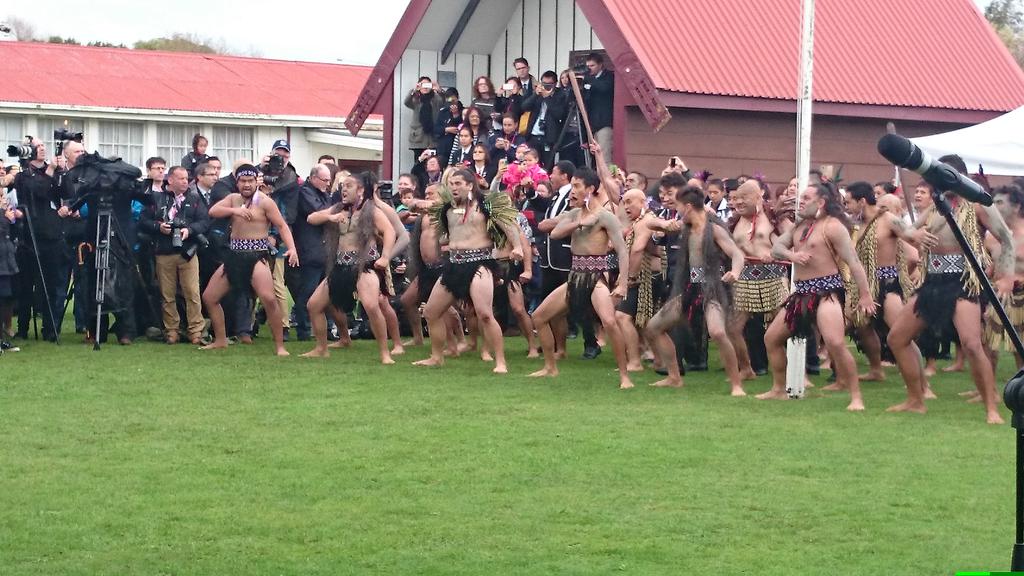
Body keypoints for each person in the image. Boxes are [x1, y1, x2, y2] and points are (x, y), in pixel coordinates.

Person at [886, 157, 1014, 424]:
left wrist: (1006, 277)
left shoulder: (978, 204)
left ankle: (991, 408)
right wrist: (913, 235)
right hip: (933, 281)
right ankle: (915, 400)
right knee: (897, 338)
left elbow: (1006, 238)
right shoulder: (936, 206)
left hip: (963, 281)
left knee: (972, 344)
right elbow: (905, 229)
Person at [759, 182, 876, 411]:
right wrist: (792, 255)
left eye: (806, 198)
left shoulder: (833, 226)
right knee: (771, 338)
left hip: (826, 293)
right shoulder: (800, 225)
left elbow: (853, 262)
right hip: (801, 294)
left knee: (835, 343)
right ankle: (778, 389)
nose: (800, 201)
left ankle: (856, 397)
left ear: (821, 202)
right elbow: (776, 248)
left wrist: (865, 295)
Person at [528, 167, 632, 388]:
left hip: (595, 278)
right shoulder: (574, 214)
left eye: (577, 186)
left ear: (590, 189)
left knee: (609, 322)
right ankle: (550, 367)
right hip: (575, 276)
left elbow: (623, 251)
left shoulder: (606, 217)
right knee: (539, 317)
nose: (572, 191)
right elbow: (554, 233)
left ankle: (624, 376)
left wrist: (622, 283)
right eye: (572, 186)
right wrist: (579, 222)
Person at [412, 169, 523, 373]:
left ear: (470, 185)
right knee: (431, 312)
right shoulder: (447, 208)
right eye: (451, 184)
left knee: (485, 314)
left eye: (458, 184)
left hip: (480, 264)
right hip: (454, 265)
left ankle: (500, 362)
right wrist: (416, 204)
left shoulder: (486, 205)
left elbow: (509, 225)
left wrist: (517, 247)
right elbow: (440, 227)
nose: (454, 188)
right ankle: (436, 357)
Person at [644, 186, 746, 395]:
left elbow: (737, 254)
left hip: (712, 288)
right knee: (654, 327)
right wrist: (663, 224)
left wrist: (735, 272)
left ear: (688, 207)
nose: (677, 210)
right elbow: (649, 223)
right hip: (690, 288)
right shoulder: (684, 227)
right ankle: (674, 377)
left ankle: (736, 385)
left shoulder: (714, 229)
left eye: (678, 206)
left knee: (717, 332)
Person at [201, 164, 299, 356]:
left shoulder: (265, 202)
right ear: (237, 182)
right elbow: (213, 211)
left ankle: (280, 346)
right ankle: (220, 340)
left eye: (250, 181)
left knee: (269, 299)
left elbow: (282, 226)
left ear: (256, 182)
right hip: (234, 256)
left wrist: (292, 249)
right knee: (209, 297)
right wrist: (234, 211)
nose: (246, 184)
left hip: (256, 256)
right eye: (243, 181)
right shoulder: (233, 199)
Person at [301, 172, 396, 362]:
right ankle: (321, 349)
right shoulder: (338, 209)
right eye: (343, 186)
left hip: (364, 267)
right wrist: (331, 217)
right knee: (314, 305)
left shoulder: (371, 211)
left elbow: (390, 231)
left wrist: (385, 257)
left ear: (360, 190)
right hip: (340, 266)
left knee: (371, 306)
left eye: (349, 186)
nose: (344, 189)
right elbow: (311, 218)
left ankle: (385, 353)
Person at [842, 181, 919, 383]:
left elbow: (912, 239)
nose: (846, 207)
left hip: (888, 284)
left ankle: (923, 384)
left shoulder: (888, 219)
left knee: (901, 333)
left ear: (862, 201)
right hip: (864, 284)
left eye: (848, 202)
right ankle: (876, 370)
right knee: (862, 326)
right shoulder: (856, 224)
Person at [3, 138, 68, 342]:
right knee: (26, 285)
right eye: (37, 147)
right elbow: (38, 191)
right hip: (29, 236)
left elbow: (67, 192)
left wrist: (62, 172)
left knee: (51, 284)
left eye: (43, 146)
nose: (42, 149)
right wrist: (50, 170)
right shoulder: (23, 176)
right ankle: (23, 327)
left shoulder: (54, 172)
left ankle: (50, 328)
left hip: (51, 234)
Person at [139, 166, 209, 344]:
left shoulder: (194, 199)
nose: (186, 182)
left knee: (192, 292)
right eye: (181, 178)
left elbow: (204, 222)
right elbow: (143, 221)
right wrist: (158, 227)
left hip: (188, 252)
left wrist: (189, 230)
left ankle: (196, 330)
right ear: (170, 180)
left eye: (187, 178)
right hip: (164, 251)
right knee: (167, 294)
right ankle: (171, 330)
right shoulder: (156, 198)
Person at [726, 180, 785, 379]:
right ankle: (746, 368)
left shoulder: (774, 217)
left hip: (773, 278)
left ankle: (797, 373)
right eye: (736, 198)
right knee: (733, 328)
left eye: (744, 198)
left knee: (786, 326)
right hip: (745, 279)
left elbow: (791, 243)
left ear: (758, 197)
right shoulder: (734, 221)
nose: (738, 202)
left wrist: (775, 254)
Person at [614, 188, 662, 372]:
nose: (626, 206)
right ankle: (656, 359)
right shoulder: (642, 220)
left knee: (622, 317)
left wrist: (629, 278)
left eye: (629, 202)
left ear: (642, 202)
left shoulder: (646, 221)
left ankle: (635, 362)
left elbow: (637, 249)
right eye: (624, 202)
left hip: (647, 278)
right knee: (646, 322)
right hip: (645, 277)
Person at [289, 164, 334, 341]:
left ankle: (326, 328)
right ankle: (304, 330)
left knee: (327, 292)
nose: (328, 184)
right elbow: (318, 213)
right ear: (313, 178)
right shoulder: (304, 192)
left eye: (329, 180)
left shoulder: (323, 194)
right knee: (307, 292)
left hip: (324, 251)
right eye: (325, 180)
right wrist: (335, 210)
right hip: (310, 251)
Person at [581, 53, 614, 164]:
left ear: (600, 65)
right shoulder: (587, 78)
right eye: (588, 66)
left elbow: (604, 88)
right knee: (595, 157)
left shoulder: (608, 76)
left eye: (592, 65)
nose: (589, 68)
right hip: (592, 123)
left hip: (604, 122)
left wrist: (590, 80)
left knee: (604, 156)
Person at [405, 76, 445, 165]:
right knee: (419, 164)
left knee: (433, 163)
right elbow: (407, 102)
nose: (425, 87)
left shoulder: (435, 99)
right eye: (423, 85)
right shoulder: (416, 99)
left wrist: (439, 90)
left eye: (428, 85)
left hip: (432, 139)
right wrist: (414, 90)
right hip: (418, 138)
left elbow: (444, 102)